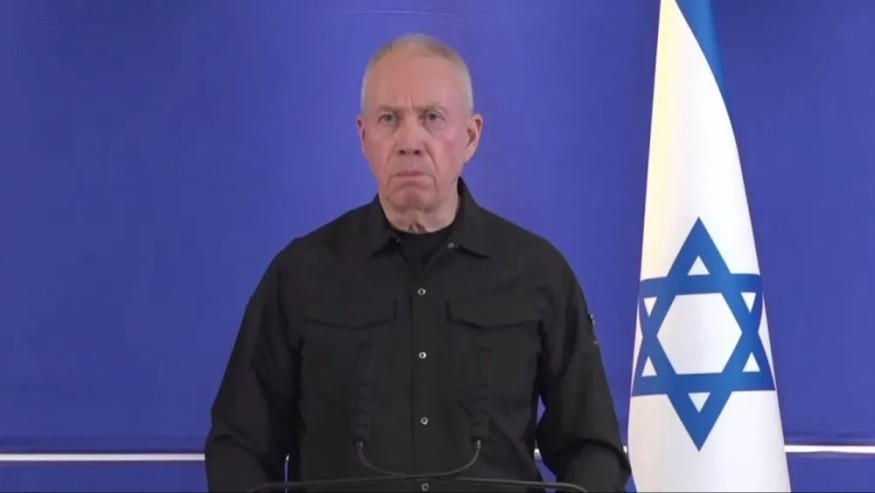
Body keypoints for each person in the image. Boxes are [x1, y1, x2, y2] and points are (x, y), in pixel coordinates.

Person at [204, 33, 631, 492]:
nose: (411, 141)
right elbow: (239, 447)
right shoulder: (300, 275)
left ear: (471, 136)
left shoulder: (538, 273)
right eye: (389, 118)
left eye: (432, 118)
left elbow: (594, 449)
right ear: (364, 136)